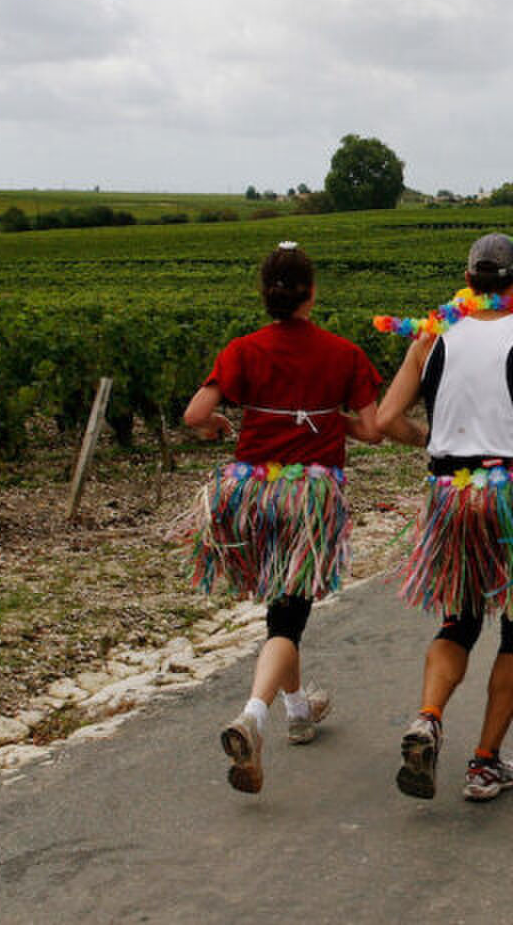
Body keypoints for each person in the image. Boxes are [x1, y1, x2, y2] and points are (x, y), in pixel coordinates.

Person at [375, 233, 513, 803]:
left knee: (460, 621)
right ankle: (484, 763)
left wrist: (426, 439)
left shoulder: (430, 340)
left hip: (451, 493)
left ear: (469, 279)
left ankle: (427, 717)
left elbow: (384, 420)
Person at [183, 242, 383, 794]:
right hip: (308, 499)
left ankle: (299, 711)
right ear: (311, 294)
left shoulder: (243, 350)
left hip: (251, 496)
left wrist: (218, 428)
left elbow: (196, 414)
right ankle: (254, 716)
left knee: (283, 608)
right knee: (288, 620)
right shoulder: (343, 354)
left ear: (265, 293)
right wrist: (328, 421)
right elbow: (370, 430)